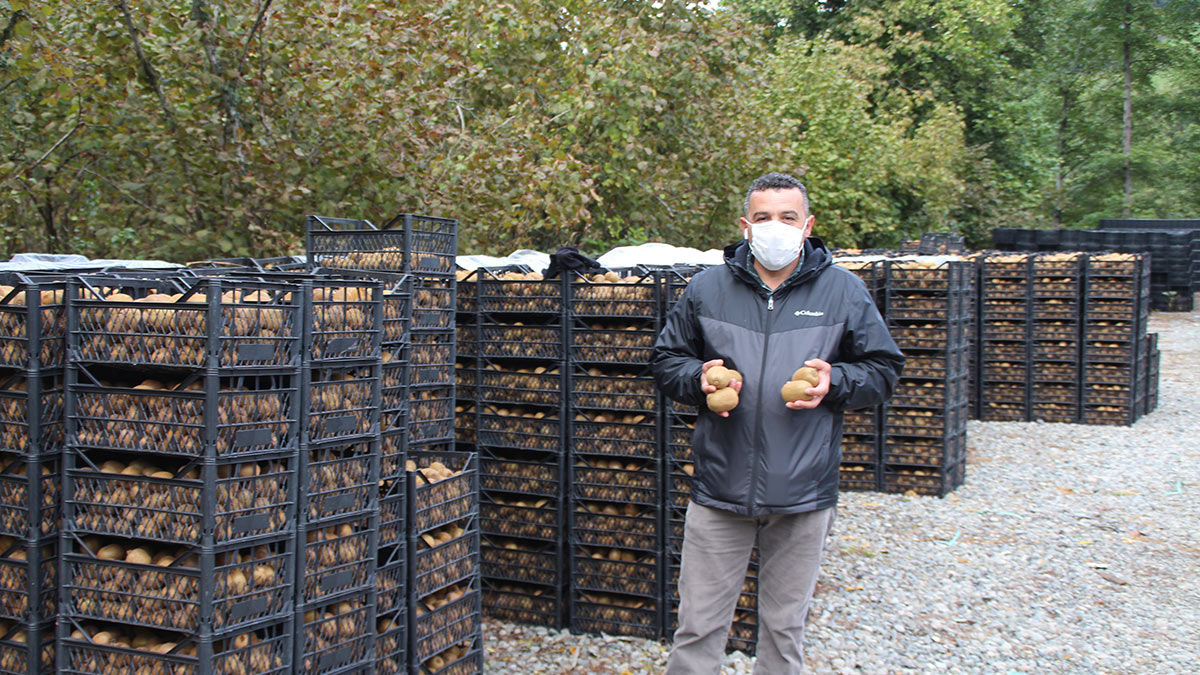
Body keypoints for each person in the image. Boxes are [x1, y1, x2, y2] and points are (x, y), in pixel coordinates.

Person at [651, 172, 904, 674]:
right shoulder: (707, 289)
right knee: (697, 629)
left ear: (807, 225)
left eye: (788, 217)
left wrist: (836, 381)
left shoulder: (843, 291)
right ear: (745, 226)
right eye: (763, 217)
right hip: (720, 486)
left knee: (785, 632)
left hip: (803, 491)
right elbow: (666, 360)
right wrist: (697, 380)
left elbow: (883, 369)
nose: (775, 227)